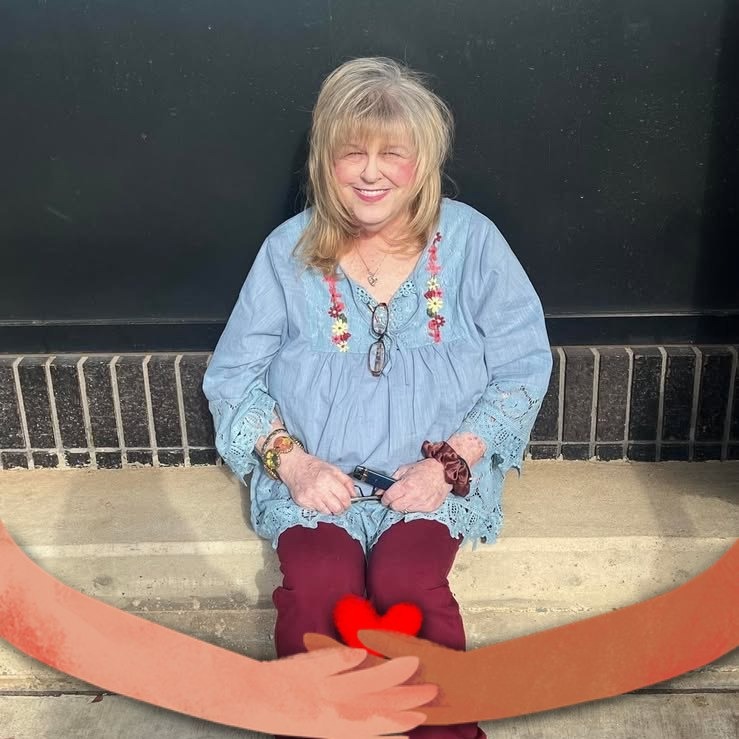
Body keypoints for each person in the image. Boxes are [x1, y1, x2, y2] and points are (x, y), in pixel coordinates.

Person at [202, 56, 553, 739]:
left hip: (430, 476)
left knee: (407, 586)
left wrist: (450, 463)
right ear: (325, 160)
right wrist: (293, 464)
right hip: (319, 478)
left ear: (422, 162)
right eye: (352, 153)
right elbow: (233, 376)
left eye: (392, 153)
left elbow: (522, 368)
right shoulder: (287, 251)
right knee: (318, 588)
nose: (370, 172)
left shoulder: (472, 242)